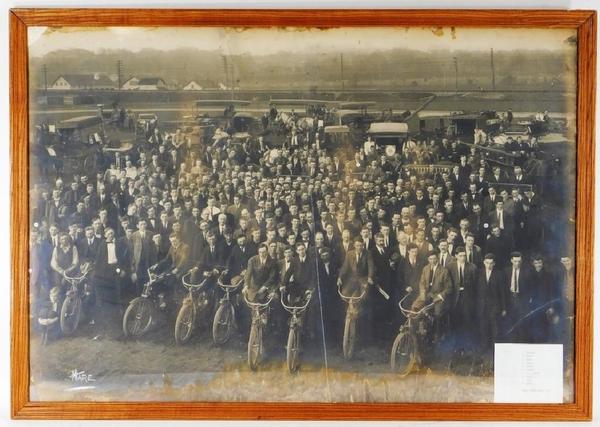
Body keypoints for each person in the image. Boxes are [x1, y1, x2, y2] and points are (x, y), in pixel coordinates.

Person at [92, 228, 129, 338]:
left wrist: (121, 269)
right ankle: (105, 323)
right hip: (104, 271)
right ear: (105, 235)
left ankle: (117, 322)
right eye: (108, 233)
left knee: (117, 294)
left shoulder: (119, 244)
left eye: (112, 233)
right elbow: (98, 259)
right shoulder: (102, 244)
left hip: (115, 269)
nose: (110, 235)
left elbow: (123, 259)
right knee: (104, 297)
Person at [412, 250, 452, 342]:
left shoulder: (444, 271)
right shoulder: (425, 269)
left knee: (437, 313)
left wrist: (440, 296)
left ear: (437, 258)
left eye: (434, 258)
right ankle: (417, 332)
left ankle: (437, 335)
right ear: (428, 259)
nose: (432, 261)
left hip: (438, 297)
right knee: (415, 307)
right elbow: (422, 283)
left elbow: (449, 288)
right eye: (430, 259)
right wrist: (422, 294)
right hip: (426, 294)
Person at [474, 254, 506, 351]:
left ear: (494, 264)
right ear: (484, 263)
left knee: (494, 327)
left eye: (491, 263)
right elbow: (475, 290)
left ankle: (494, 348)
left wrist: (504, 308)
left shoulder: (499, 274)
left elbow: (502, 293)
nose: (489, 265)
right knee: (483, 326)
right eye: (487, 263)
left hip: (494, 305)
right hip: (482, 305)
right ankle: (484, 347)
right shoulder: (479, 273)